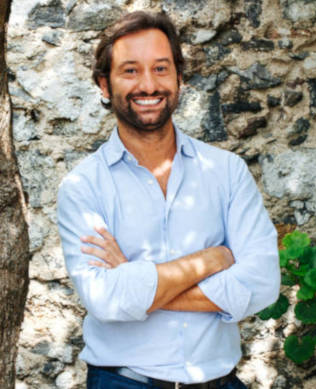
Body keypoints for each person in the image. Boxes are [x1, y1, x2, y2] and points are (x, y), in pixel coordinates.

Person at [56, 11, 280, 389]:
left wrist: (136, 283)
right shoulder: (82, 187)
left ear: (179, 78)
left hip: (220, 381)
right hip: (123, 382)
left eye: (161, 68)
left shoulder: (227, 171)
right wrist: (210, 259)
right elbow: (105, 299)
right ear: (104, 85)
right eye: (130, 71)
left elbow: (261, 285)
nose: (148, 84)